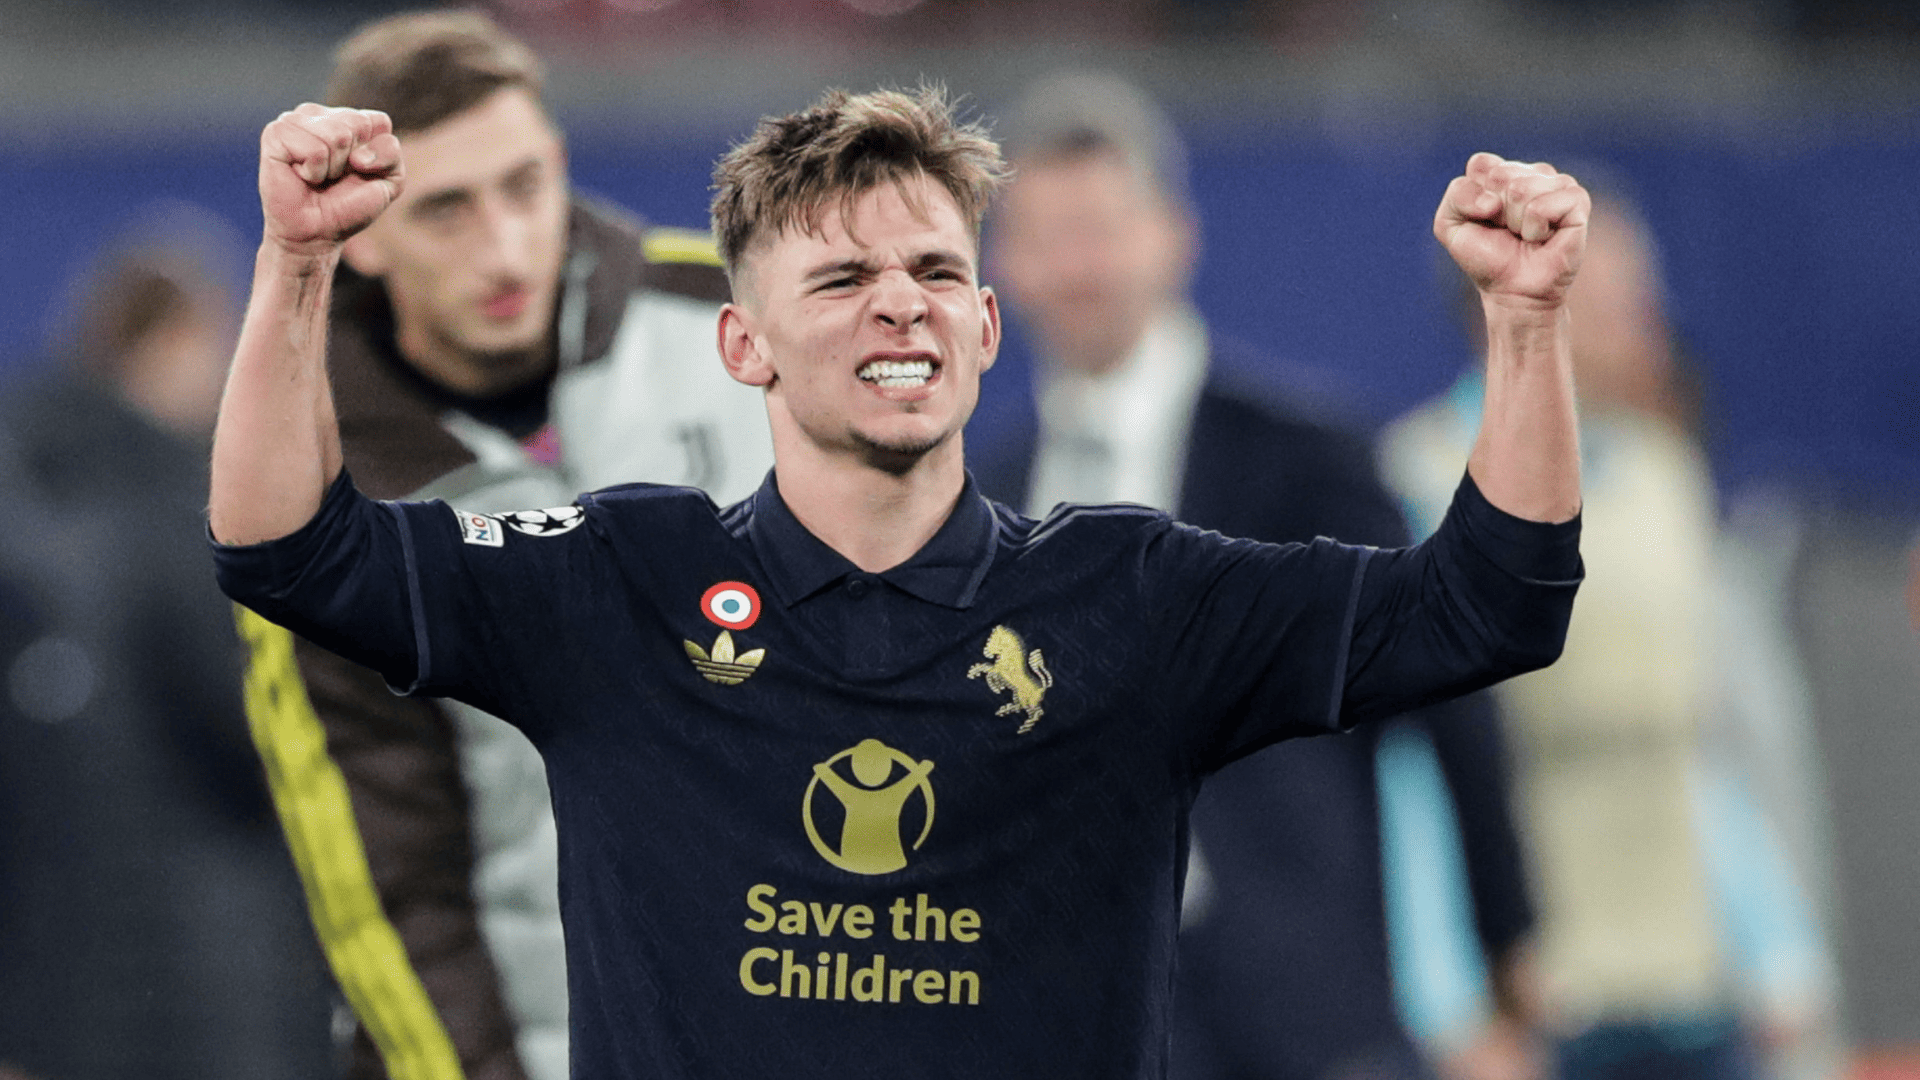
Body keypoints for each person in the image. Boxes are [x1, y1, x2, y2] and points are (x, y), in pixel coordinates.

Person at [208, 85, 1587, 1078]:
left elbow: (1489, 604)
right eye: (841, 278)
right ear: (742, 345)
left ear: (984, 326)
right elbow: (291, 549)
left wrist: (1524, 324)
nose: (899, 299)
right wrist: (299, 265)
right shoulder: (619, 583)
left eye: (935, 268)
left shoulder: (1131, 596)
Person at [233, 12, 773, 1080]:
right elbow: (385, 893)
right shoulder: (304, 483)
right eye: (447, 208)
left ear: (559, 162)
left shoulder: (743, 320)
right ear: (362, 230)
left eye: (524, 185)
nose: (507, 246)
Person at [973, 72, 1538, 1080]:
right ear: (1001, 268)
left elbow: (1449, 698)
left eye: (1100, 229)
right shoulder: (982, 493)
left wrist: (1509, 951)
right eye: (1046, 238)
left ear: (1173, 235)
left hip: (1305, 1011)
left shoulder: (1306, 459)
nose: (1077, 267)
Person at [1381, 178, 1839, 1080]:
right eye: (1610, 288)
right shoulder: (1416, 480)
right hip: (1541, 1013)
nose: (1643, 313)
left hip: (1701, 998)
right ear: (1501, 288)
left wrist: (1779, 945)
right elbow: (1411, 769)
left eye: (1641, 287)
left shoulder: (1667, 474)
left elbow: (1696, 741)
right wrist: (1448, 1001)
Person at [0, 208, 335, 1080]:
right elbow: (269, 747)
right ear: (167, 343)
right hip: (215, 991)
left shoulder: (29, 525)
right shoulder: (194, 524)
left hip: (56, 999)